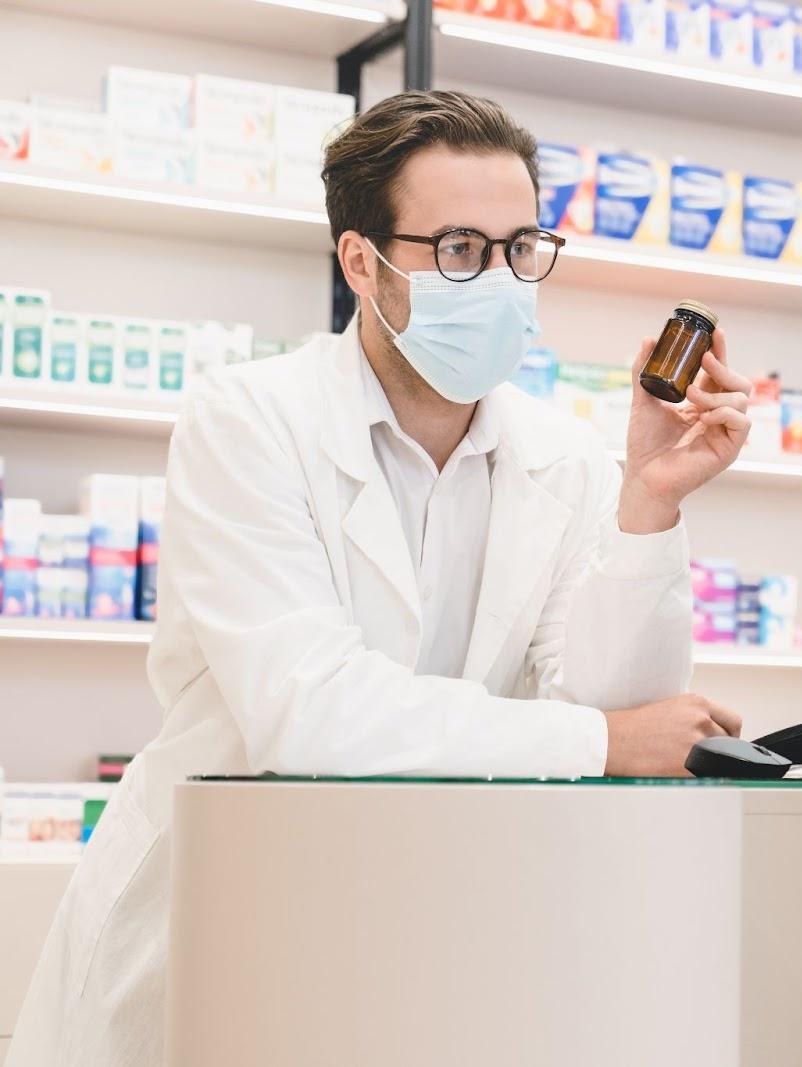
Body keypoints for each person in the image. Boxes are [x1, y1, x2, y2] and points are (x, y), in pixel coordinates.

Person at [10, 89, 752, 1067]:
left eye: (518, 248)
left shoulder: (562, 457)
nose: (497, 281)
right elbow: (310, 711)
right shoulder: (248, 421)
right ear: (361, 262)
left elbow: (617, 715)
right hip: (219, 918)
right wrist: (601, 738)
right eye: (457, 251)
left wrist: (649, 504)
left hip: (430, 916)